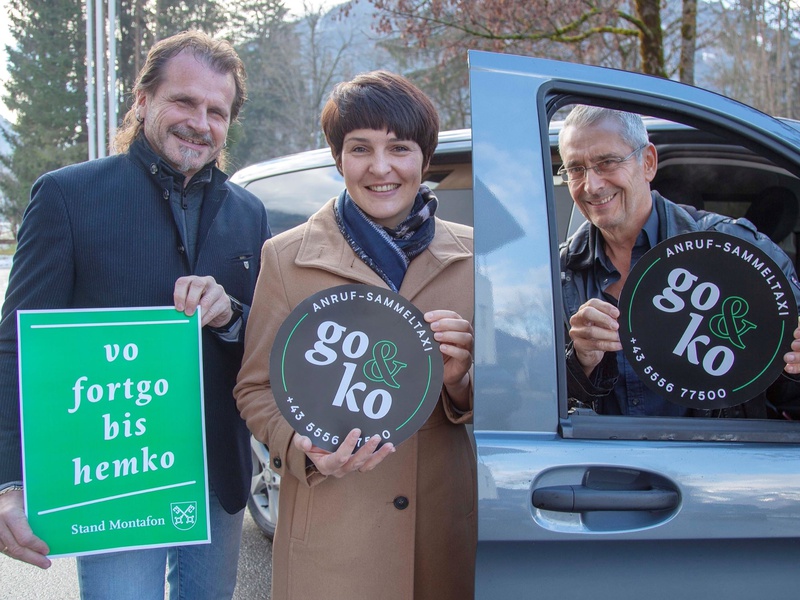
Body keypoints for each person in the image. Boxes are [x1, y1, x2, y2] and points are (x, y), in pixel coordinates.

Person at [0, 30, 271, 599]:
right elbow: (15, 347)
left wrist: (230, 316)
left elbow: (263, 339)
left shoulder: (248, 212)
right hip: (115, 475)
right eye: (184, 101)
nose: (200, 122)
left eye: (216, 111)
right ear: (143, 100)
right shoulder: (67, 197)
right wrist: (8, 482)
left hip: (215, 471)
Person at [234, 70, 476, 599]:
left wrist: (461, 380)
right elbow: (253, 389)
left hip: (438, 532)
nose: (381, 167)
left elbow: (513, 397)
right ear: (338, 158)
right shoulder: (285, 258)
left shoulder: (474, 256)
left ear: (425, 159)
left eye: (400, 148)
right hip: (332, 528)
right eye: (360, 148)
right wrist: (301, 446)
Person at [559, 105, 800, 417]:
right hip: (604, 463)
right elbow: (530, 404)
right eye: (576, 169)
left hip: (719, 461)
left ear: (647, 162)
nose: (591, 185)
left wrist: (795, 368)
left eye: (606, 162)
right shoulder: (558, 273)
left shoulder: (738, 254)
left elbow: (789, 398)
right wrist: (580, 361)